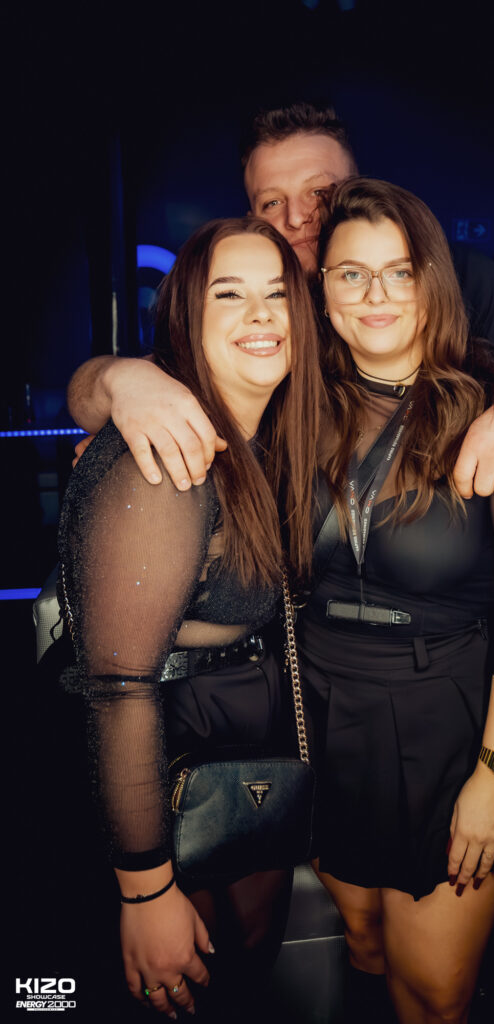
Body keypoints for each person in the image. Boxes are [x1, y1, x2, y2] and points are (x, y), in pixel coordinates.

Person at [299, 177, 494, 1023]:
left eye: (400, 272)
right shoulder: (294, 411)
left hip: (444, 731)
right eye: (351, 274)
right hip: (321, 721)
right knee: (364, 945)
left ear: (433, 285)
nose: (375, 294)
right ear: (323, 290)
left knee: (437, 994)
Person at [66, 102, 494, 497]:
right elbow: (88, 395)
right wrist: (125, 384)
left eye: (318, 191)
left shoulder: (443, 275)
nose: (296, 218)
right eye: (271, 202)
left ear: (357, 188)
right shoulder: (252, 306)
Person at [57, 216, 322, 1019]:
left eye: (277, 294)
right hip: (157, 766)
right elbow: (118, 686)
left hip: (231, 750)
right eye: (229, 295)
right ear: (185, 320)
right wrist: (144, 891)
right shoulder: (166, 455)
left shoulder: (265, 435)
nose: (262, 314)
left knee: (238, 987)